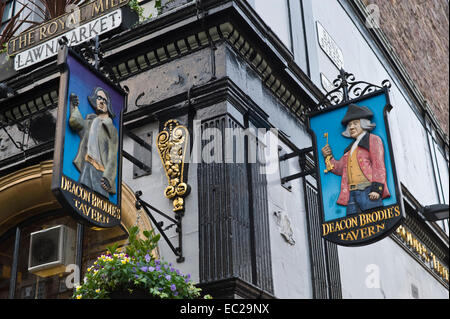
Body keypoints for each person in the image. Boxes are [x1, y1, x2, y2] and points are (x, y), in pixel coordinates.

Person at [321, 103, 390, 215]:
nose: (351, 127)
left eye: (355, 123)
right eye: (350, 125)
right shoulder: (350, 149)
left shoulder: (373, 140)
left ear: (364, 124)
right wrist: (328, 157)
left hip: (368, 191)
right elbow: (339, 168)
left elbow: (379, 165)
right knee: (354, 228)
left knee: (374, 224)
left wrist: (376, 189)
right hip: (351, 193)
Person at [68, 87, 119, 198]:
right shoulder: (91, 121)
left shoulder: (110, 128)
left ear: (108, 105)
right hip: (87, 166)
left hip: (100, 173)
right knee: (82, 200)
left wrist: (108, 178)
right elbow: (77, 124)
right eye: (99, 98)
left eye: (104, 100)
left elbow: (113, 156)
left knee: (99, 203)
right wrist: (74, 106)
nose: (101, 101)